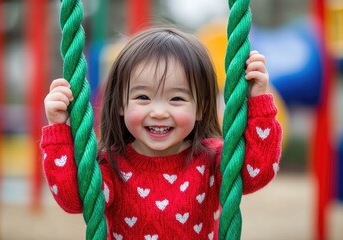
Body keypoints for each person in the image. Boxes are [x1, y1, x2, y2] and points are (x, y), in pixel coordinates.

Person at [41, 27, 282, 239]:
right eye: (143, 97)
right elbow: (73, 200)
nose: (158, 112)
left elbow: (256, 174)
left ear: (201, 108)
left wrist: (258, 101)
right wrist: (58, 128)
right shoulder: (111, 165)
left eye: (176, 98)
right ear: (121, 105)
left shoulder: (211, 159)